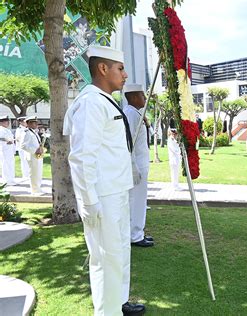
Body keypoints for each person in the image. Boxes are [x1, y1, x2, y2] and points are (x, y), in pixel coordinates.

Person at [63, 45, 145, 316]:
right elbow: (82, 157)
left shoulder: (105, 99)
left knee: (120, 253)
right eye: (120, 69)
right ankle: (106, 312)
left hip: (117, 190)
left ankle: (118, 303)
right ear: (102, 69)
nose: (125, 75)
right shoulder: (91, 102)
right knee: (105, 258)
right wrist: (88, 202)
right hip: (102, 196)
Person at [123, 84, 154, 248]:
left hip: (141, 163)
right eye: (142, 95)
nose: (144, 98)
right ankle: (134, 235)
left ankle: (137, 232)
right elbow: (129, 143)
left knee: (140, 200)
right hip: (136, 165)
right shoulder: (130, 113)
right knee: (135, 200)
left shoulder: (136, 113)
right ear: (134, 97)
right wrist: (133, 166)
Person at [20, 116, 44, 195]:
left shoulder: (34, 132)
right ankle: (34, 191)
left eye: (36, 122)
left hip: (38, 155)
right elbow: (23, 145)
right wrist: (35, 150)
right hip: (32, 156)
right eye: (34, 122)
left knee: (38, 173)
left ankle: (38, 189)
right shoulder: (27, 132)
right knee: (34, 173)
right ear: (28, 123)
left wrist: (40, 149)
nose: (36, 124)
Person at [0, 116, 16, 185]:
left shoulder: (7, 130)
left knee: (10, 164)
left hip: (10, 150)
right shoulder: (1, 129)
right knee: (6, 165)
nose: (8, 123)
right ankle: (6, 180)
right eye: (6, 121)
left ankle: (11, 179)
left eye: (8, 121)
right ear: (1, 122)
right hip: (4, 149)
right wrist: (6, 140)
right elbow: (0, 138)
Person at [15, 116, 30, 181]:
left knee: (28, 161)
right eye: (25, 121)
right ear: (21, 122)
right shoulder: (19, 129)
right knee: (24, 161)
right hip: (22, 148)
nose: (26, 122)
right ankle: (25, 175)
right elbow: (18, 139)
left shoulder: (27, 129)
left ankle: (28, 175)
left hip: (28, 148)